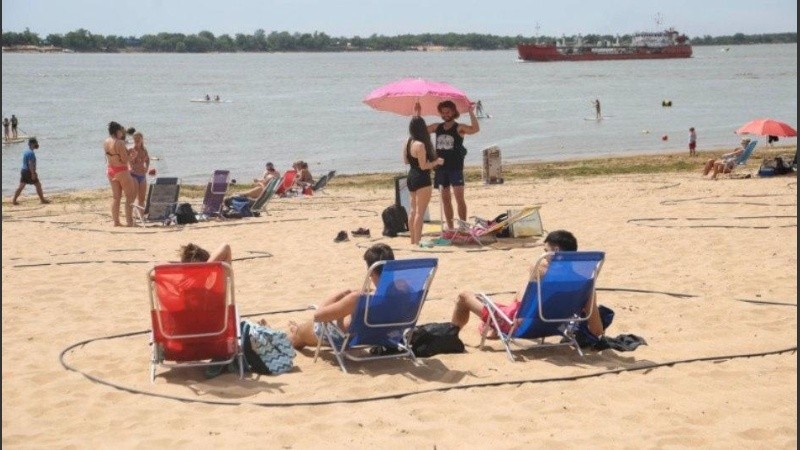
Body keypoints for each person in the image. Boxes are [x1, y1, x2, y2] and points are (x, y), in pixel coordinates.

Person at [450, 229, 605, 340]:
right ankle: (492, 326)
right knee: (495, 301)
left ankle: (450, 336)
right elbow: (597, 330)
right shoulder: (586, 285)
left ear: (555, 251)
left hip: (517, 326)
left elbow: (522, 308)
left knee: (464, 296)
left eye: (545, 251)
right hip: (553, 328)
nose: (542, 256)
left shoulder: (540, 271)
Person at [288, 243, 395, 350]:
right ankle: (297, 329)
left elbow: (318, 316)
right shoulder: (406, 291)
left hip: (344, 337)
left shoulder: (358, 298)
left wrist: (342, 295)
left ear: (370, 272)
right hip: (377, 336)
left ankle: (297, 332)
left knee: (298, 337)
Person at [424, 100, 480, 230]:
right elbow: (420, 132)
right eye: (443, 112)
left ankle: (463, 227)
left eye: (448, 112)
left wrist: (471, 112)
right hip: (440, 169)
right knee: (445, 200)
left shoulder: (459, 127)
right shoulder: (437, 127)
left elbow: (475, 129)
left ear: (453, 112)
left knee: (460, 198)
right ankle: (450, 228)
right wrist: (418, 113)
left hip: (455, 168)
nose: (445, 114)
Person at [404, 116, 444, 245]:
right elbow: (423, 166)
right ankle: (417, 241)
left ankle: (412, 240)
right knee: (420, 212)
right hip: (422, 178)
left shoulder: (408, 142)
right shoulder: (420, 145)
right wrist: (436, 162)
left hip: (411, 176)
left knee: (413, 210)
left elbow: (405, 161)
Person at [104, 121, 136, 227]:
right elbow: (124, 160)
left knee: (116, 197)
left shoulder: (106, 141)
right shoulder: (119, 142)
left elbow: (113, 156)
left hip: (110, 170)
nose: (122, 133)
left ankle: (116, 222)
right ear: (117, 131)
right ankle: (129, 222)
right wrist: (132, 155)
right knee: (130, 196)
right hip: (121, 170)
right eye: (121, 132)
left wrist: (127, 152)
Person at [12, 138, 50, 205]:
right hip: (29, 171)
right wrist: (33, 174)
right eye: (36, 143)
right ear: (32, 144)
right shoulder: (31, 153)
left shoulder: (26, 151)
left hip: (23, 171)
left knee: (21, 186)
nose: (37, 144)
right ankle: (42, 200)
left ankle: (14, 200)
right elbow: (30, 164)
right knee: (38, 185)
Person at [128, 131, 151, 208]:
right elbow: (127, 161)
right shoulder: (131, 149)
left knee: (142, 198)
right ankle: (131, 214)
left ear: (142, 139)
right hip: (134, 175)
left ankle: (141, 215)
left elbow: (148, 159)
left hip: (142, 175)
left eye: (138, 138)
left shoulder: (144, 150)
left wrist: (147, 167)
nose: (137, 140)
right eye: (135, 139)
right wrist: (130, 166)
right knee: (133, 197)